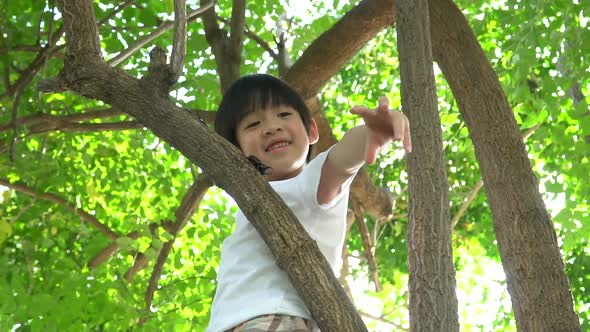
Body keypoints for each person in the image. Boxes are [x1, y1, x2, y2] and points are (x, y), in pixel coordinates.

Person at [207, 74, 411, 332]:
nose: (271, 127)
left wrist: (371, 134)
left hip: (277, 319)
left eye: (283, 115)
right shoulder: (251, 201)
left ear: (312, 131)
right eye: (253, 124)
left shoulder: (310, 182)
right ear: (236, 152)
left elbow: (341, 160)